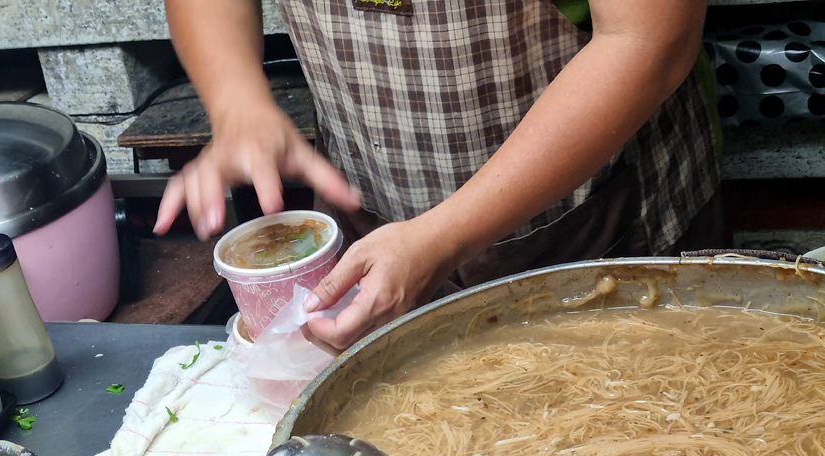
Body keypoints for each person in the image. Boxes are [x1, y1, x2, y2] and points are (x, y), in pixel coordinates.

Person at [154, 0, 722, 350]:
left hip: (594, 222)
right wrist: (237, 104)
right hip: (371, 210)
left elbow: (648, 38)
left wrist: (441, 236)